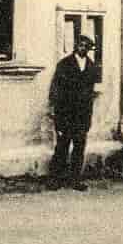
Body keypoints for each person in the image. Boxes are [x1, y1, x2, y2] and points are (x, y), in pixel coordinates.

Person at [48, 34, 99, 190]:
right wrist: (55, 110)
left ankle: (75, 180)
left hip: (82, 114)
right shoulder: (64, 64)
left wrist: (88, 116)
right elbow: (56, 88)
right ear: (76, 46)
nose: (83, 48)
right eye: (80, 45)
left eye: (86, 46)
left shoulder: (91, 66)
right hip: (66, 113)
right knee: (62, 146)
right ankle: (55, 179)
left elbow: (90, 92)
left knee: (79, 147)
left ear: (89, 49)